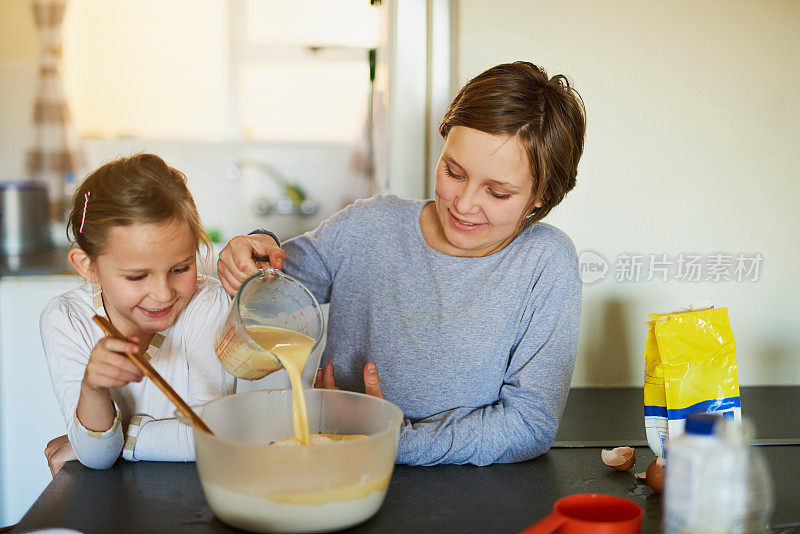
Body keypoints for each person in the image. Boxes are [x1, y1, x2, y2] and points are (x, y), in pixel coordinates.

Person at [217, 61, 585, 466]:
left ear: (542, 196)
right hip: (337, 462)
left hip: (463, 490)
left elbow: (529, 425)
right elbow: (278, 280)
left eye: (497, 193)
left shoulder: (545, 264)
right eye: (453, 171)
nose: (464, 204)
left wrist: (392, 439)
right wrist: (257, 247)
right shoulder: (370, 225)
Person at [40, 154, 235, 476]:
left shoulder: (207, 303)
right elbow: (97, 458)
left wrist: (121, 439)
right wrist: (93, 389)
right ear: (87, 266)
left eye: (180, 268)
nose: (163, 294)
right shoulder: (66, 319)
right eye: (137, 276)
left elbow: (212, 438)